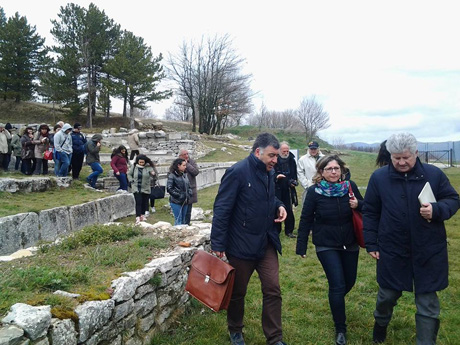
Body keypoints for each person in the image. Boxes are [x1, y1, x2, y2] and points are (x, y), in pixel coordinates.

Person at [363, 133, 459, 345]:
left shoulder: (434, 175)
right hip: (392, 249)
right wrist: (371, 242)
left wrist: (436, 209)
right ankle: (380, 324)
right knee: (387, 296)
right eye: (396, 158)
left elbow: (453, 199)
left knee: (427, 302)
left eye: (406, 157)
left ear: (416, 153)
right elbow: (370, 211)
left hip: (429, 250)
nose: (401, 162)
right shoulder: (379, 178)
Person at [211, 133, 288, 345]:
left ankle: (275, 338)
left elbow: (269, 197)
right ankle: (235, 330)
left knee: (273, 289)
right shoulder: (237, 172)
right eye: (272, 155)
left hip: (266, 242)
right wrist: (218, 243)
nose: (275, 159)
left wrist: (279, 205)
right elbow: (222, 209)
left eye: (276, 156)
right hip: (241, 245)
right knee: (238, 292)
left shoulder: (269, 172)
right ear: (257, 152)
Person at [296, 155, 363, 345]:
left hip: (350, 243)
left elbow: (368, 209)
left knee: (349, 282)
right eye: (329, 169)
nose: (333, 172)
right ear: (321, 172)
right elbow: (306, 219)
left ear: (341, 170)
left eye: (336, 168)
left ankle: (336, 302)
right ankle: (340, 329)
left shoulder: (350, 187)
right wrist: (301, 246)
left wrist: (359, 204)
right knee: (337, 285)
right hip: (326, 244)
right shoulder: (314, 192)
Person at [274, 141, 298, 238]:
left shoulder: (291, 159)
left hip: (288, 188)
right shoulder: (275, 159)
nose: (286, 153)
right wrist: (276, 177)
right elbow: (272, 172)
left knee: (289, 209)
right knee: (276, 209)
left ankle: (289, 231)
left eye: (287, 151)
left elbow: (294, 173)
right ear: (279, 151)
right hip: (277, 187)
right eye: (284, 151)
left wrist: (294, 182)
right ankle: (276, 230)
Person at [128, 154, 156, 223]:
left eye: (142, 162)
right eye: (140, 162)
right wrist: (131, 180)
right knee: (138, 202)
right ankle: (137, 216)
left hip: (145, 188)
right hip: (136, 187)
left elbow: (153, 175)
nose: (141, 164)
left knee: (144, 202)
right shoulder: (134, 167)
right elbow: (129, 174)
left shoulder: (148, 167)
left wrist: (153, 173)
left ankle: (142, 215)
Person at [167, 158, 192, 226]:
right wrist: (179, 195)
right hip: (176, 201)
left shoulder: (184, 175)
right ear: (178, 165)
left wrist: (189, 193)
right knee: (178, 219)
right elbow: (169, 188)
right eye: (183, 165)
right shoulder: (172, 175)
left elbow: (189, 186)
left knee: (184, 220)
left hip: (185, 201)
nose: (185, 167)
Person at [178, 148, 200, 224]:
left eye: (187, 154)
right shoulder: (176, 163)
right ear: (180, 156)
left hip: (190, 190)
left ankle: (187, 224)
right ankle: (180, 225)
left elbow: (196, 172)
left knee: (188, 211)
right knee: (180, 211)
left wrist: (187, 164)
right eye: (185, 154)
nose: (187, 156)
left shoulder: (192, 162)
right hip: (180, 190)